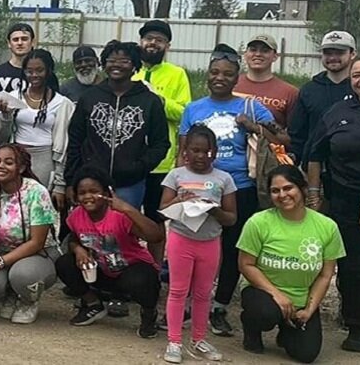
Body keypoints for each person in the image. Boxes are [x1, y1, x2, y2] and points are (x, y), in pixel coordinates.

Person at [181, 43, 283, 337]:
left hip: (240, 188)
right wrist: (180, 183)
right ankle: (189, 303)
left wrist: (252, 125)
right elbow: (183, 150)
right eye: (214, 72)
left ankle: (219, 307)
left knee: (233, 249)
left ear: (237, 77)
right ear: (207, 75)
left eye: (227, 73)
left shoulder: (249, 106)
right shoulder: (194, 108)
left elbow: (283, 139)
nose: (220, 78)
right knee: (195, 248)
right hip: (200, 188)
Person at [305, 56, 360, 352]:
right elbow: (315, 154)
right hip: (346, 202)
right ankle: (358, 326)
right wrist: (315, 195)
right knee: (355, 270)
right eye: (357, 75)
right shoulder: (336, 112)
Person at [238, 165, 345, 364]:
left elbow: (325, 275)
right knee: (266, 313)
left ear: (302, 188)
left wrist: (310, 309)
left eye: (288, 188)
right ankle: (252, 327)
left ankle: (287, 331)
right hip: (262, 293)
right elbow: (246, 265)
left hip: (301, 298)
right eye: (275, 190)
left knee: (307, 355)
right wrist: (276, 295)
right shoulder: (258, 222)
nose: (282, 195)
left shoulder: (327, 226)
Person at [159, 126, 238, 363]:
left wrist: (215, 210)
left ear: (215, 152)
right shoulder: (176, 176)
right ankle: (174, 341)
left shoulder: (224, 179)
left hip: (210, 241)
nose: (201, 156)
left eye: (207, 151)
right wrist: (178, 199)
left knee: (203, 293)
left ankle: (199, 339)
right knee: (178, 290)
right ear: (185, 152)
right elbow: (162, 211)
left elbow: (232, 217)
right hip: (181, 239)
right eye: (195, 150)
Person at [55, 165, 164, 338]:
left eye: (94, 191)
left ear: (107, 192)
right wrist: (78, 250)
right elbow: (75, 237)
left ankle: (149, 313)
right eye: (82, 192)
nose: (88, 196)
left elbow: (156, 236)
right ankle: (93, 304)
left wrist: (128, 209)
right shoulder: (76, 215)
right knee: (64, 263)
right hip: (101, 271)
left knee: (141, 279)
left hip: (131, 272)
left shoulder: (120, 215)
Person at [65, 40, 170, 209]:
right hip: (91, 181)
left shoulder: (149, 101)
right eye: (111, 61)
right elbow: (75, 139)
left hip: (129, 184)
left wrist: (139, 167)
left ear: (135, 65)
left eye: (124, 61)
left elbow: (161, 143)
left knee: (124, 230)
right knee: (89, 231)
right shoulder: (90, 97)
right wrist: (71, 180)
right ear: (104, 64)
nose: (117, 66)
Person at [0, 144, 61, 324]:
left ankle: (29, 301)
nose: (0, 166)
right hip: (3, 252)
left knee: (22, 275)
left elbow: (37, 243)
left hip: (39, 254)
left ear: (21, 168)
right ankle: (10, 296)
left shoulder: (37, 193)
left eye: (8, 162)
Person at [133, 21, 192, 265]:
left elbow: (184, 112)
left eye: (159, 39)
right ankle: (131, 265)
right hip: (131, 159)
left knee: (157, 217)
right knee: (129, 218)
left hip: (162, 161)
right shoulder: (130, 70)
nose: (152, 43)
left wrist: (156, 99)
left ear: (167, 45)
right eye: (148, 38)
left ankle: (155, 269)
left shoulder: (176, 74)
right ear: (141, 42)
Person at [0, 49, 74, 207]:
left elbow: (64, 147)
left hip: (45, 160)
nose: (34, 75)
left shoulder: (62, 104)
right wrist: (5, 115)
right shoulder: (12, 97)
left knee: (38, 206)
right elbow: (1, 138)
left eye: (39, 70)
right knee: (14, 205)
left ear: (48, 71)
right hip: (15, 158)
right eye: (29, 71)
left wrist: (60, 184)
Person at [289, 31, 357, 165]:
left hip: (354, 169)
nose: (333, 57)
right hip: (315, 167)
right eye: (328, 53)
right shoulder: (309, 90)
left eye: (339, 53)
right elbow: (297, 135)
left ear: (352, 54)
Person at [236, 34, 300, 127]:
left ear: (275, 56)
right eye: (253, 50)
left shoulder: (290, 93)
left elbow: (294, 134)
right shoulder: (231, 85)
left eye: (265, 51)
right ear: (245, 55)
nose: (258, 54)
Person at [0, 23, 39, 96]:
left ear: (32, 42)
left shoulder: (43, 75)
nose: (20, 43)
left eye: (24, 39)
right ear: (9, 43)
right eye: (15, 40)